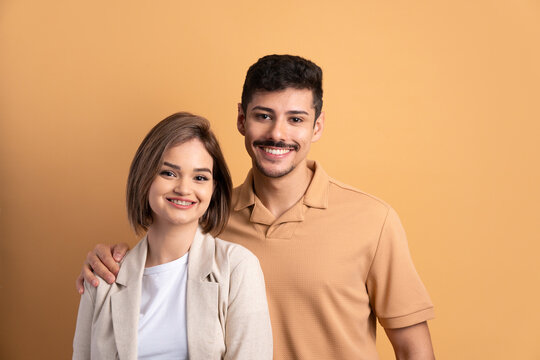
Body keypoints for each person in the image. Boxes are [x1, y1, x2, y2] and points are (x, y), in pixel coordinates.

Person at [77, 56, 435, 359]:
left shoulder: (372, 220)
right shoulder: (205, 219)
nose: (278, 133)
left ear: (317, 126)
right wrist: (105, 261)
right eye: (263, 116)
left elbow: (414, 349)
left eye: (296, 119)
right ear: (241, 119)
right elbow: (155, 275)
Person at [73, 113, 272, 360]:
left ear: (213, 189)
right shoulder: (103, 276)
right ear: (145, 178)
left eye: (200, 177)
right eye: (168, 173)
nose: (184, 189)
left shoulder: (238, 268)